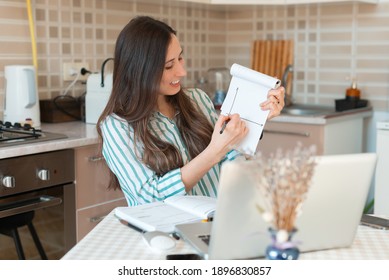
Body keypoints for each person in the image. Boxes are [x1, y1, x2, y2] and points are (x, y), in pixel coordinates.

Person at [96, 16, 285, 207]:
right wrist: (213, 152)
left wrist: (254, 117)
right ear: (140, 70)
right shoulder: (116, 127)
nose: (181, 71)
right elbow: (150, 197)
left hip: (218, 224)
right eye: (169, 66)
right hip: (167, 233)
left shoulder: (197, 100)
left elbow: (233, 156)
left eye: (180, 58)